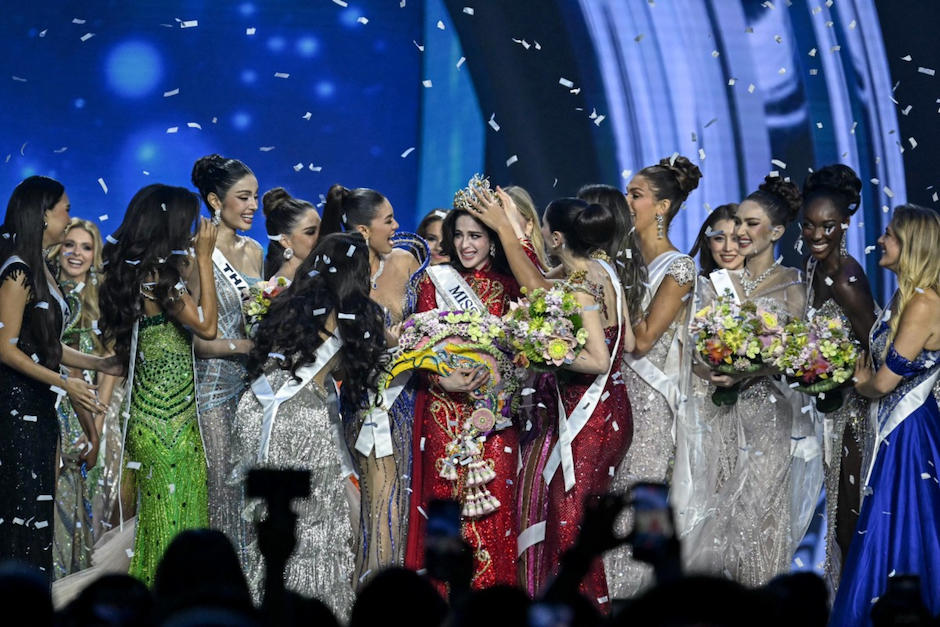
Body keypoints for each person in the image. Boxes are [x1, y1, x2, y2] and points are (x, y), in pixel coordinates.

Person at [479, 193, 635, 609]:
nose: (540, 234)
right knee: (574, 522)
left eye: (542, 228)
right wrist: (515, 226)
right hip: (612, 411)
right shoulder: (602, 272)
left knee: (570, 528)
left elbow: (599, 360)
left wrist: (546, 352)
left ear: (558, 236)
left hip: (589, 419)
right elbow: (627, 341)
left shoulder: (581, 290)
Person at [229, 233, 388, 617]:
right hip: (301, 418)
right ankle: (311, 613)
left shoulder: (288, 301)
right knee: (312, 529)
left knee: (267, 527)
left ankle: (262, 607)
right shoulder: (358, 313)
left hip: (256, 411)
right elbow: (367, 370)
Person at [685, 176, 818, 587]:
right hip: (715, 410)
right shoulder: (714, 283)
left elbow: (794, 354)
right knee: (713, 510)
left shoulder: (794, 283)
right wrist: (709, 367)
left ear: (776, 232)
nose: (740, 232)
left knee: (759, 512)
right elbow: (693, 347)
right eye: (737, 222)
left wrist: (752, 368)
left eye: (752, 224)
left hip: (768, 412)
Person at [99, 184, 218, 585]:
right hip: (171, 426)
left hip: (148, 420)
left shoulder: (135, 275)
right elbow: (208, 327)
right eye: (186, 221)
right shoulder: (158, 279)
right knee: (176, 527)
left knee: (158, 525)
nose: (191, 231)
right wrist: (203, 257)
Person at [830, 205, 940, 626]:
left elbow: (885, 382)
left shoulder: (924, 303)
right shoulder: (904, 296)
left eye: (890, 235)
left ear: (910, 246)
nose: (881, 239)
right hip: (891, 429)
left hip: (908, 432)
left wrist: (861, 385)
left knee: (903, 521)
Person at [404, 207, 525, 588]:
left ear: (492, 239)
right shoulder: (432, 282)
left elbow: (524, 355)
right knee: (446, 505)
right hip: (444, 409)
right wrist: (444, 378)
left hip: (495, 416)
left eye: (475, 235)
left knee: (493, 508)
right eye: (458, 235)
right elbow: (417, 348)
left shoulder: (511, 286)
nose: (465, 244)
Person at [0, 176, 107, 577]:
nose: (68, 216)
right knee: (22, 511)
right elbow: (5, 347)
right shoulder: (16, 273)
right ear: (43, 215)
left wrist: (101, 364)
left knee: (37, 509)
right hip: (16, 409)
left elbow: (45, 345)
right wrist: (66, 382)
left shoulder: (40, 270)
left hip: (39, 405)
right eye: (64, 208)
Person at [321, 184, 425, 586]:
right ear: (363, 231)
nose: (397, 227)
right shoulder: (343, 277)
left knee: (407, 503)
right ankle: (377, 595)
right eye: (388, 221)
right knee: (379, 505)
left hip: (411, 399)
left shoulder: (407, 261)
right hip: (368, 403)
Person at [608, 157, 701, 597]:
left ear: (662, 206)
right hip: (611, 394)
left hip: (649, 404)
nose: (626, 201)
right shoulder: (621, 260)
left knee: (639, 496)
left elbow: (642, 340)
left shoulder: (679, 268)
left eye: (636, 194)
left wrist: (608, 295)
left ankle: (636, 599)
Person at [800, 164, 876, 589]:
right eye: (809, 225)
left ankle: (857, 604)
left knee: (850, 514)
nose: (817, 235)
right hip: (829, 409)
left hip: (855, 413)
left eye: (827, 226)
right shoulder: (813, 268)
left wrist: (848, 374)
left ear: (845, 222)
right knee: (836, 514)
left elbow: (879, 344)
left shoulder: (847, 276)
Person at [189, 154, 263, 542]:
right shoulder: (195, 253)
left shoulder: (254, 251)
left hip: (252, 391)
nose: (253, 206)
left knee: (251, 493)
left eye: (255, 197)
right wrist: (247, 344)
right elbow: (200, 342)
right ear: (216, 201)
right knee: (222, 490)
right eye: (244, 197)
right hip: (212, 391)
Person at [47, 219, 118, 578]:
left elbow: (109, 364)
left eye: (85, 247)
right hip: (56, 405)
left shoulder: (102, 298)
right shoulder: (46, 295)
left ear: (96, 255)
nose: (76, 253)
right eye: (69, 245)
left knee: (98, 501)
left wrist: (100, 422)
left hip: (94, 411)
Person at [261, 187, 321, 281]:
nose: (321, 236)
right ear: (285, 241)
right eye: (310, 232)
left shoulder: (318, 275)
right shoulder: (278, 289)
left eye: (322, 229)